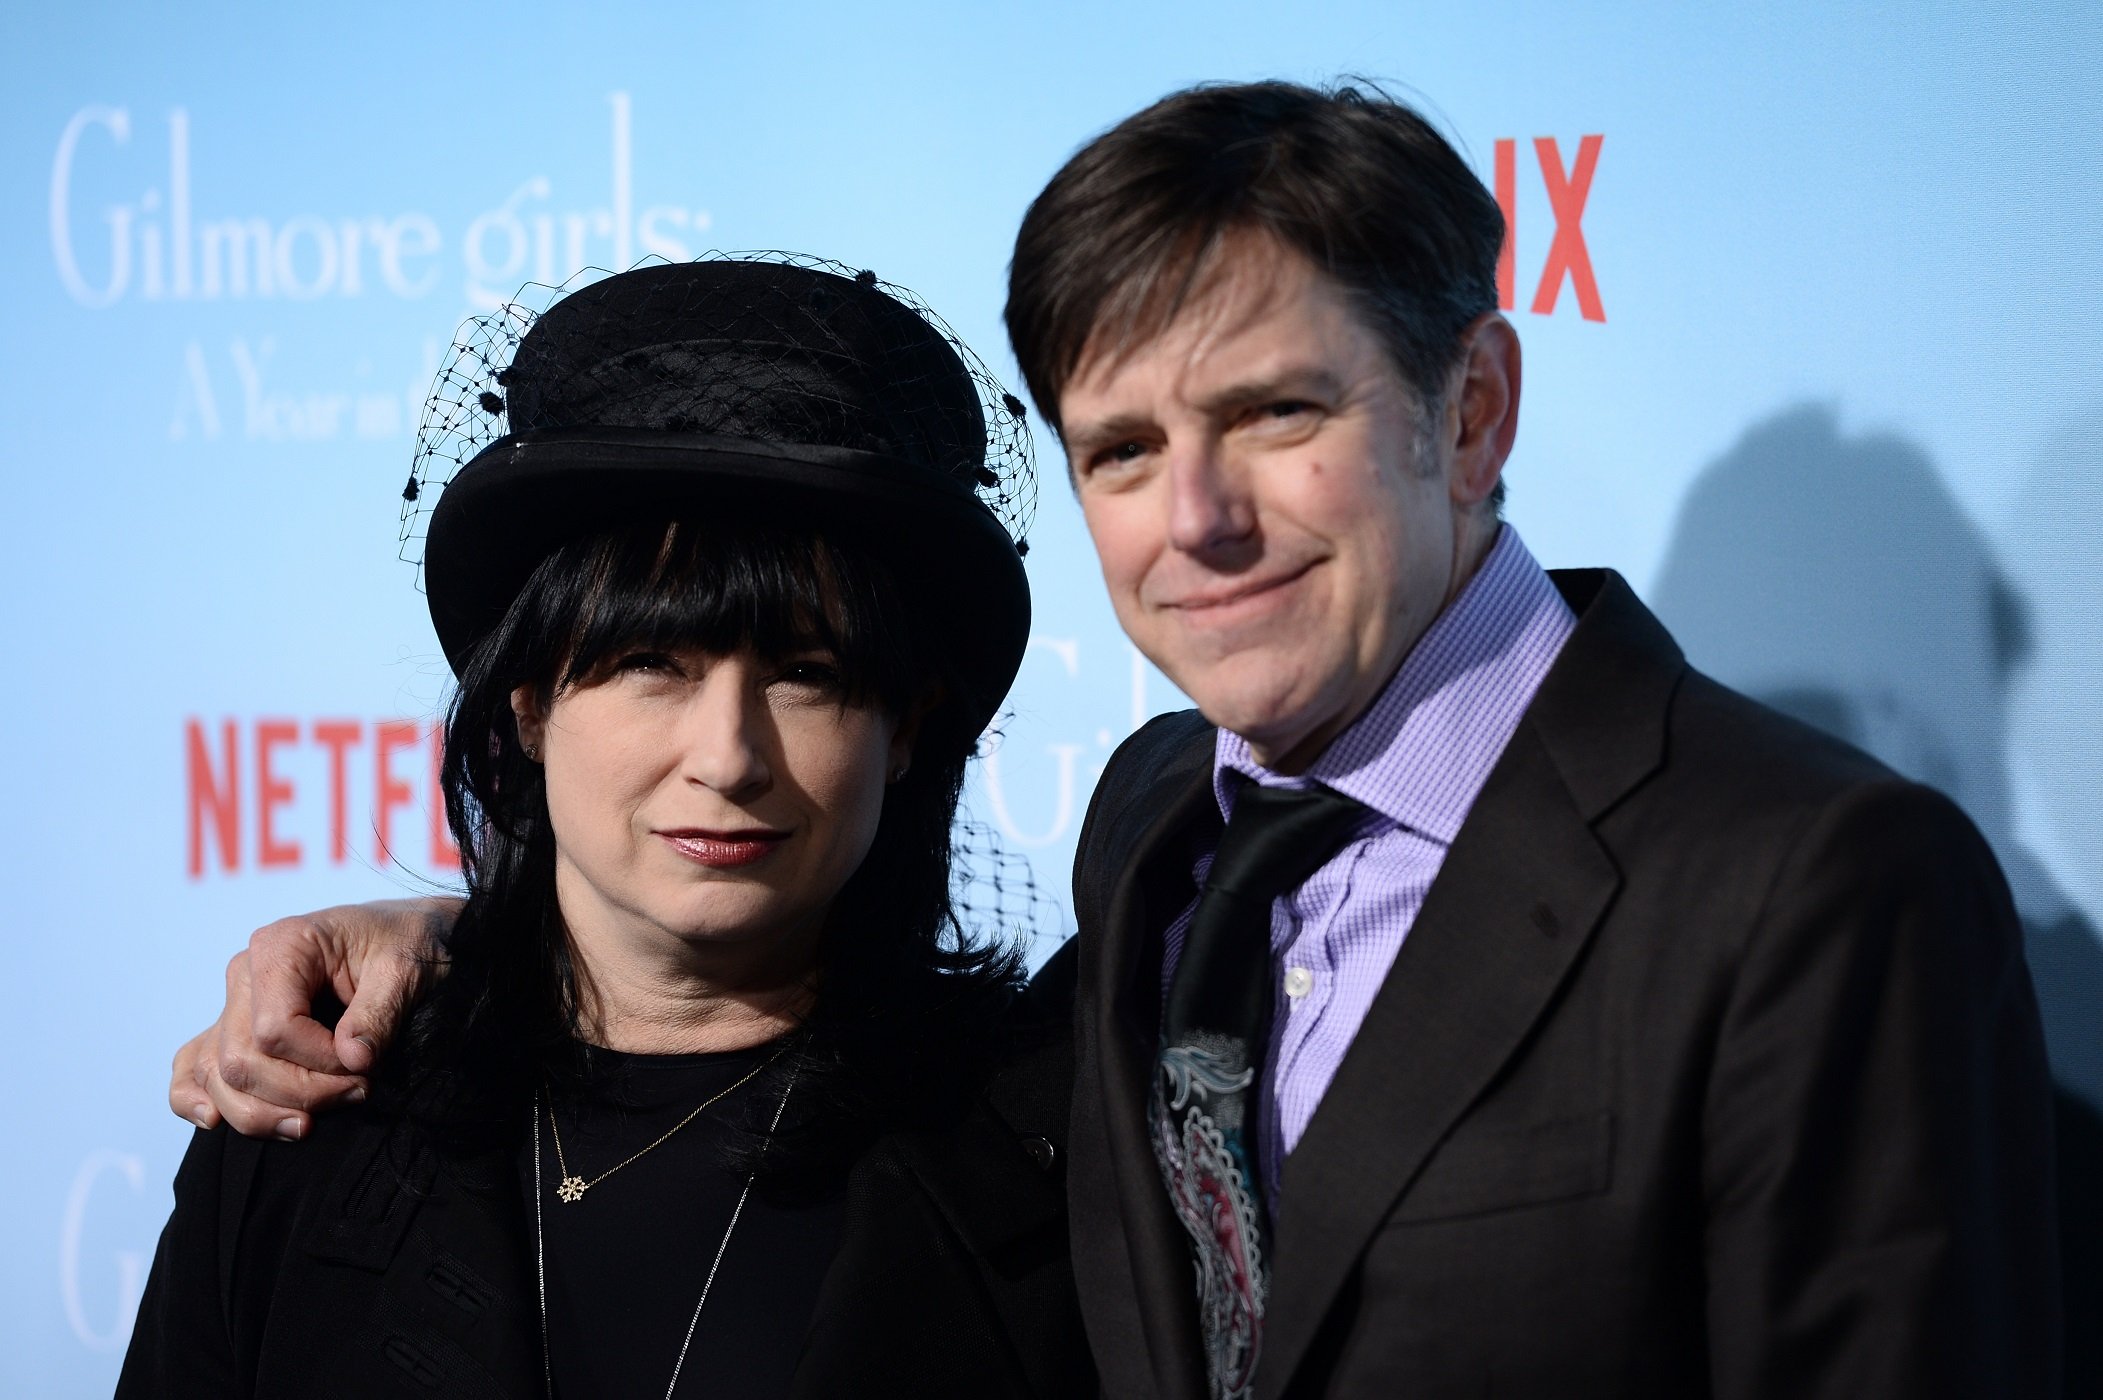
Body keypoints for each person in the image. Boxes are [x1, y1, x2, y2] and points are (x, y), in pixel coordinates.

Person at [176, 83, 2062, 1399]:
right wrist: (444, 935)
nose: (1200, 519)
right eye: (1124, 451)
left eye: (1274, 412)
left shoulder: (1815, 885)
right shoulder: (1165, 831)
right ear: (525, 707)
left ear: (1470, 408)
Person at [125, 256, 1092, 1399]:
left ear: (906, 728)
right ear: (527, 703)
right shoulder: (311, 1107)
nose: (728, 755)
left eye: (804, 674)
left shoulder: (1045, 1148)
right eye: (650, 663)